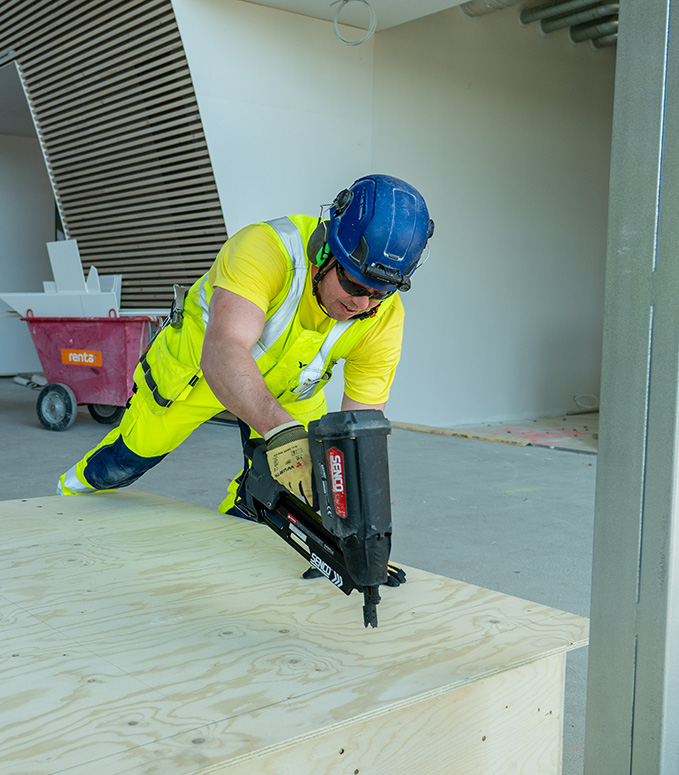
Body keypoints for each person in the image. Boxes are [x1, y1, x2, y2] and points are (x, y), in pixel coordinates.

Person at [57, 173, 433, 517]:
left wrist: (360, 509)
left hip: (290, 391)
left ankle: (230, 543)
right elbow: (224, 351)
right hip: (197, 373)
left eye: (379, 294)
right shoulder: (266, 249)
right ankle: (62, 499)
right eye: (353, 285)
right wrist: (281, 433)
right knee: (128, 459)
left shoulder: (383, 318)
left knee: (279, 499)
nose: (361, 305)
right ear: (324, 252)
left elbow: (360, 424)